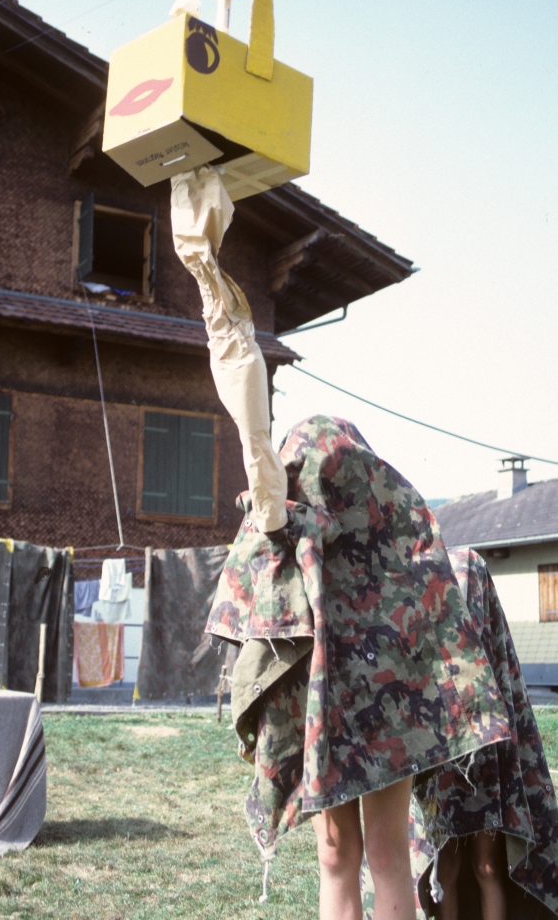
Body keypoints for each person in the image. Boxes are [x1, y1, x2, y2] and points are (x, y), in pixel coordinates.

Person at [170, 166, 510, 917]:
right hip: (327, 706)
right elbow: (259, 559)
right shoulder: (296, 550)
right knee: (334, 854)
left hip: (387, 714)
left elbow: (438, 642)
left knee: (385, 853)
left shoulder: (400, 561)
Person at [414, 547, 558, 920]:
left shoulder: (487, 643)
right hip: (442, 762)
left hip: (485, 763)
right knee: (444, 866)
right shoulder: (423, 631)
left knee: (487, 866)